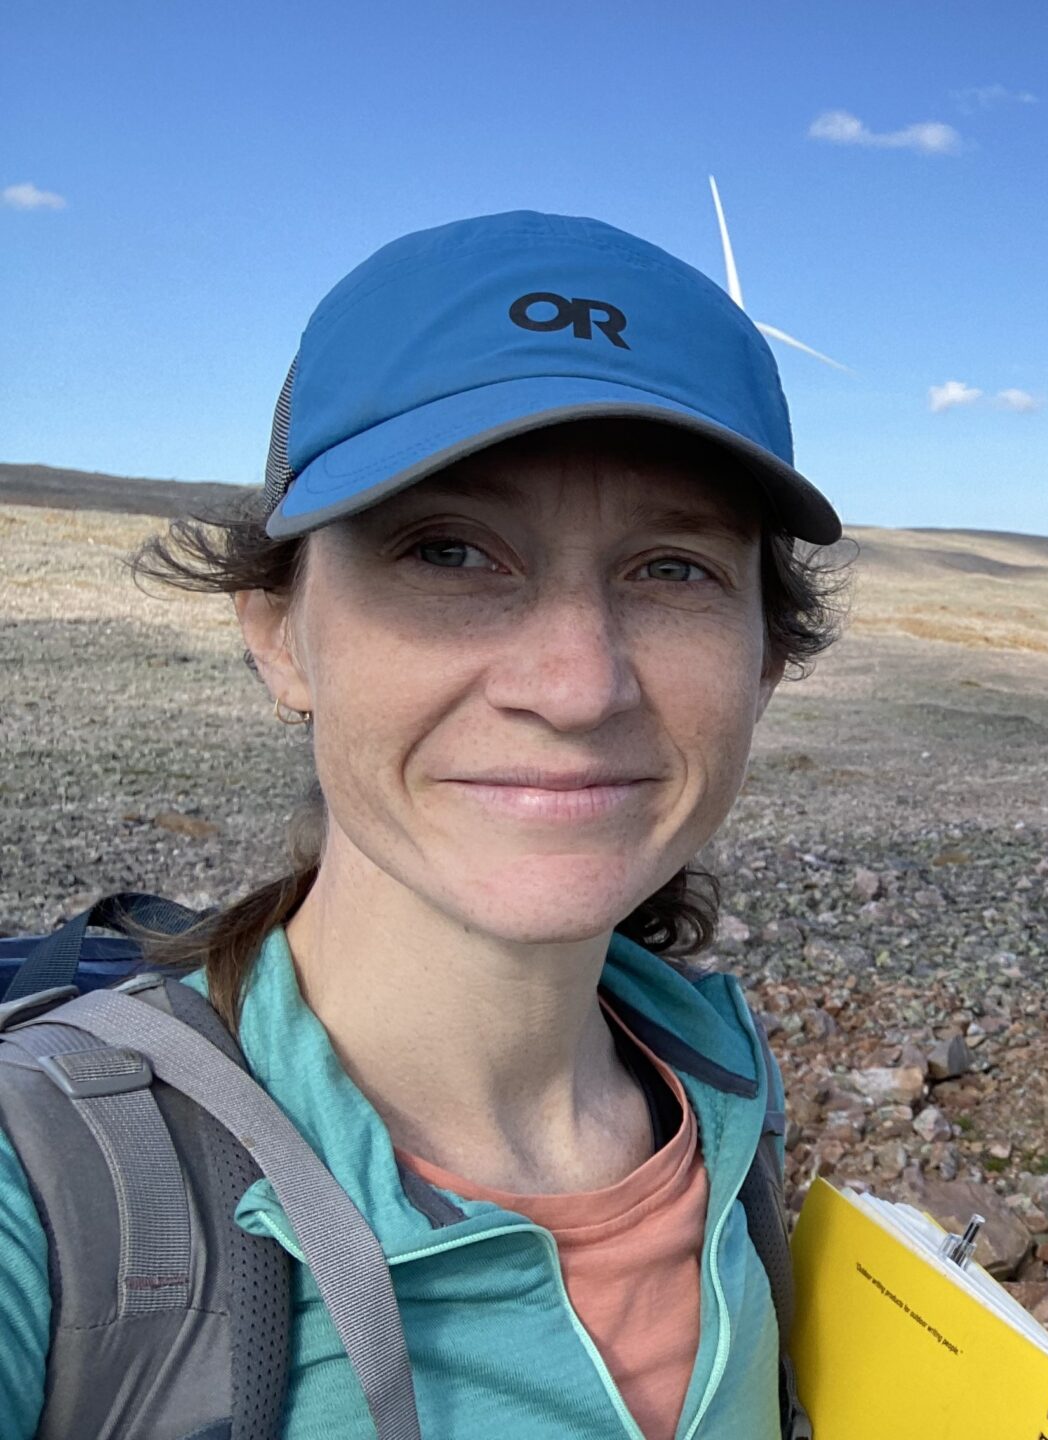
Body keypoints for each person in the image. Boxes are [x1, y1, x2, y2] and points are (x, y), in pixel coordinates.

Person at [0, 209, 845, 1438]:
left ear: (766, 659)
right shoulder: (49, 1185)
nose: (576, 684)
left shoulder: (721, 1075)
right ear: (277, 634)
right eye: (449, 552)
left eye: (672, 568)